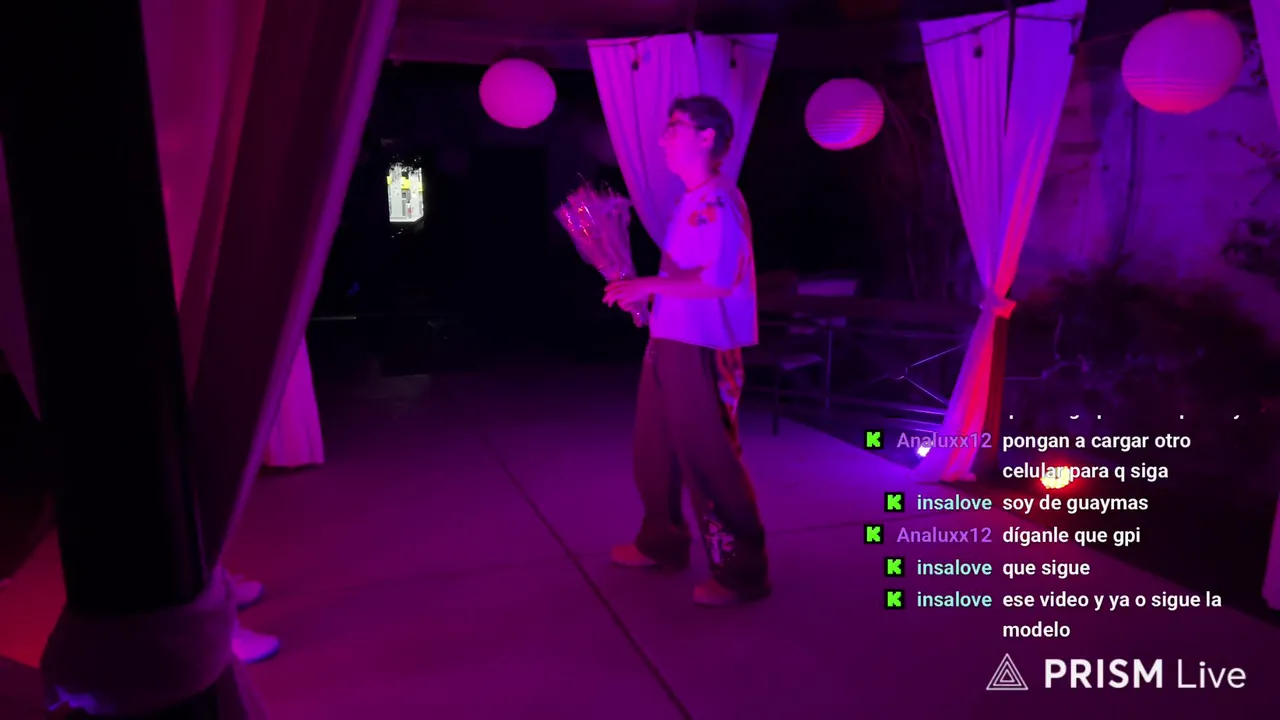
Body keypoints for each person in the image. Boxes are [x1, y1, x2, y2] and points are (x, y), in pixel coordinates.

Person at [602, 95, 769, 607]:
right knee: (654, 448)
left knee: (708, 456)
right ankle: (661, 542)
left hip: (702, 347)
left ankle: (742, 573)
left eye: (674, 127)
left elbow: (720, 280)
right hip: (669, 342)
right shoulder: (691, 200)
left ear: (706, 136)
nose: (662, 139)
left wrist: (648, 285)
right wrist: (646, 294)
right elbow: (687, 277)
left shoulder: (719, 202)